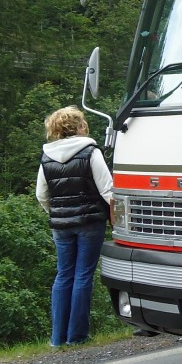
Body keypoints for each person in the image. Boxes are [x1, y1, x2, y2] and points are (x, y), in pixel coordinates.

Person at [35, 106, 113, 347]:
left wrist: (57, 213)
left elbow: (41, 194)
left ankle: (57, 338)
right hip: (90, 223)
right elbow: (108, 190)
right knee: (83, 275)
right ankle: (77, 336)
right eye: (82, 122)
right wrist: (116, 219)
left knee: (63, 274)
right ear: (78, 127)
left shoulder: (47, 156)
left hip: (61, 226)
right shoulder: (90, 152)